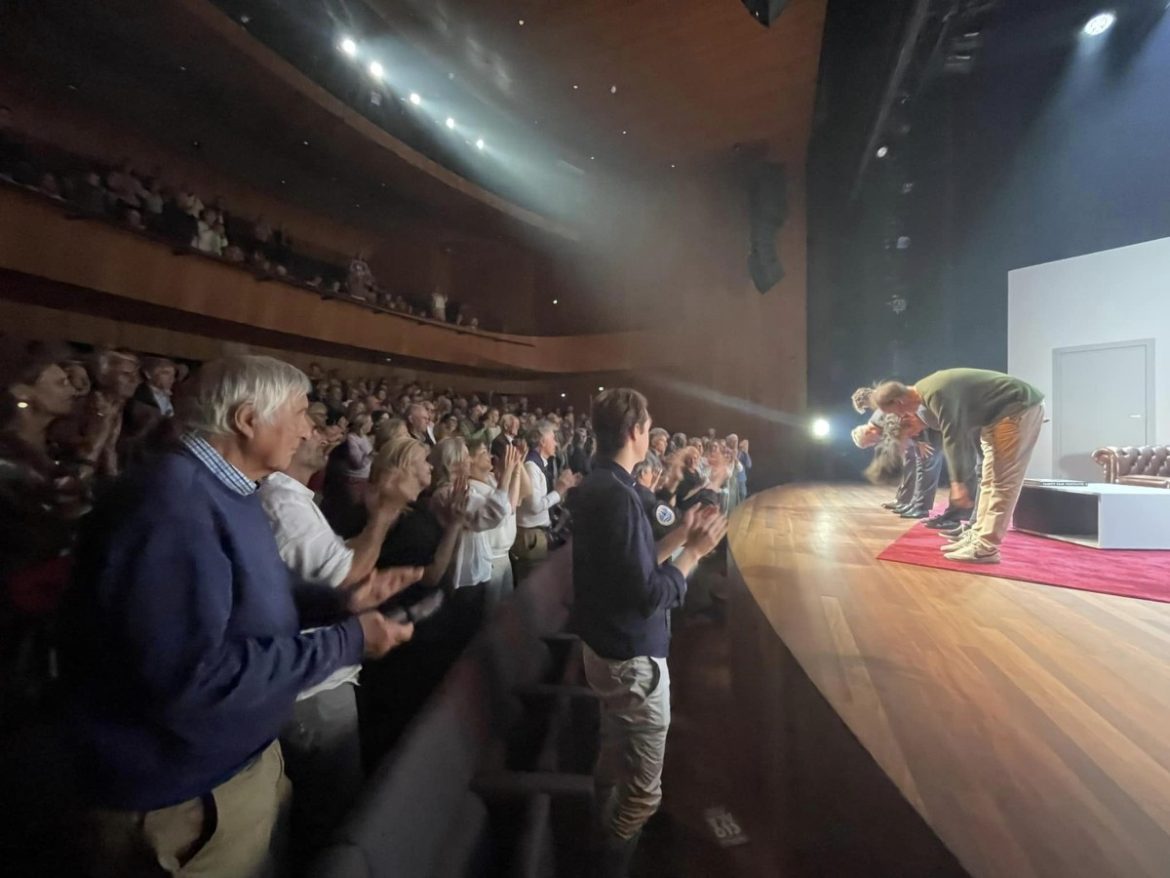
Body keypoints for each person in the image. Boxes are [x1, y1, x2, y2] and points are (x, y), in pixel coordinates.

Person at [62, 355, 412, 877]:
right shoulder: (173, 505)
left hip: (228, 773)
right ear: (248, 420)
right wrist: (347, 640)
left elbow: (239, 597)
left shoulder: (226, 489)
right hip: (184, 801)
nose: (309, 428)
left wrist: (336, 603)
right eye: (298, 413)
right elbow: (192, 677)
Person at [570, 389, 727, 878]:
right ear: (637, 430)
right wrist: (694, 554)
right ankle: (607, 864)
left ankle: (595, 831)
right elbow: (647, 594)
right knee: (642, 794)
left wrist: (681, 534)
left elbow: (628, 568)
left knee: (613, 755)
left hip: (606, 650)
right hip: (630, 658)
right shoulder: (617, 497)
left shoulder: (603, 484)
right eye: (650, 423)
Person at [259, 406, 421, 858]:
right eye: (302, 421)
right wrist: (383, 514)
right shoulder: (282, 504)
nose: (316, 431)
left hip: (319, 672)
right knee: (331, 811)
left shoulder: (294, 498)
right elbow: (346, 573)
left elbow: (335, 575)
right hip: (314, 688)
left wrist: (352, 598)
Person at [875, 368, 1044, 564]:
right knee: (990, 481)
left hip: (1016, 410)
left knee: (1003, 483)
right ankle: (978, 536)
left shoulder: (935, 394)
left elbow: (953, 437)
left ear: (899, 402)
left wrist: (958, 483)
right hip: (996, 419)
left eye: (895, 412)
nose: (900, 415)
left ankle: (986, 548)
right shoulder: (927, 390)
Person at [512, 420, 579, 584]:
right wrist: (559, 490)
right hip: (531, 537)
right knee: (531, 584)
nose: (556, 442)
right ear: (542, 441)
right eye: (553, 438)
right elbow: (535, 506)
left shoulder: (540, 464)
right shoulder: (531, 467)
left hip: (537, 534)